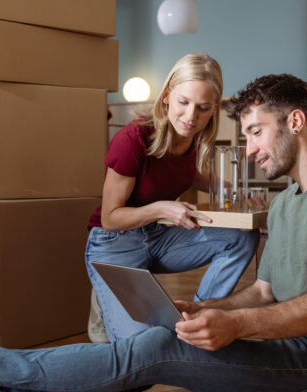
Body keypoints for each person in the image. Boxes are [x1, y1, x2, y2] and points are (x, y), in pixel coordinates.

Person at [0, 74, 307, 392]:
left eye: (256, 132)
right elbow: (265, 291)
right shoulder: (288, 203)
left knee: (152, 352)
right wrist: (209, 310)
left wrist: (237, 326)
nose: (250, 148)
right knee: (157, 338)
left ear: (297, 121)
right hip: (271, 339)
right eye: (244, 135)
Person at [85, 53, 260, 342]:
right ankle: (106, 307)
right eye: (184, 102)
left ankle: (199, 314)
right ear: (167, 96)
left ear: (215, 108)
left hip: (158, 237)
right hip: (115, 243)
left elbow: (184, 174)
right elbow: (110, 217)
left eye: (203, 108)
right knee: (144, 347)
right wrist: (161, 208)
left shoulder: (192, 139)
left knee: (242, 236)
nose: (191, 117)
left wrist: (235, 190)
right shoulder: (132, 140)